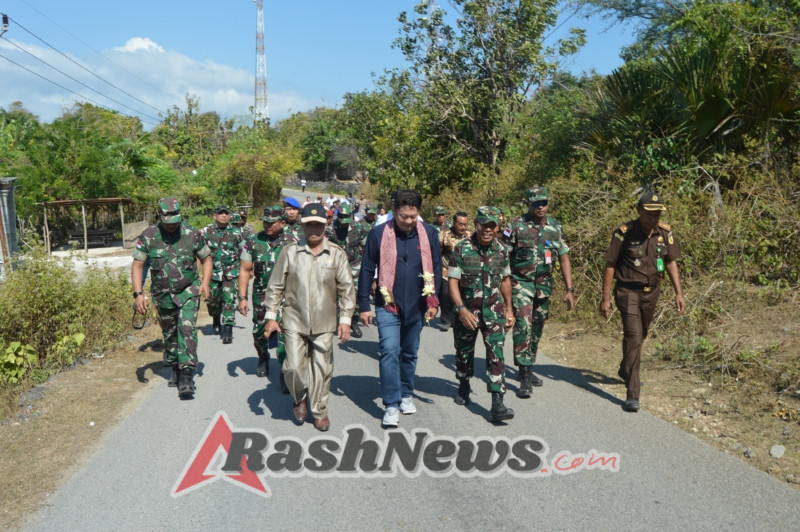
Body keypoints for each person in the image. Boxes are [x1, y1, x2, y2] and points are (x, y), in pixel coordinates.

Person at [264, 203, 355, 432]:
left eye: (318, 224)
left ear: (326, 224)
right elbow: (275, 286)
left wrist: (345, 320)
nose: (313, 229)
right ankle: (298, 397)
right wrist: (271, 317)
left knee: (322, 369)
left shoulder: (336, 254)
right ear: (302, 226)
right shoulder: (290, 252)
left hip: (325, 322)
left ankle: (319, 410)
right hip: (294, 319)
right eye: (309, 224)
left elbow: (346, 289)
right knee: (293, 367)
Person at [358, 189, 442, 428]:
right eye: (403, 216)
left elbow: (436, 267)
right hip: (387, 304)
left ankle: (406, 393)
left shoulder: (430, 234)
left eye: (413, 216)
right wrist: (364, 304)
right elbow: (366, 270)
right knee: (389, 350)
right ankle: (391, 404)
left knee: (409, 351)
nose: (408, 221)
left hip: (418, 304)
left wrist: (434, 301)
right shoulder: (378, 234)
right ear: (394, 212)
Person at [600, 191, 684, 412]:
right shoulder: (623, 233)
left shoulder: (664, 233)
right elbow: (610, 265)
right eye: (649, 214)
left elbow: (671, 262)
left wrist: (678, 293)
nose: (653, 218)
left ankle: (625, 368)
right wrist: (605, 298)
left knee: (641, 335)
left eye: (657, 214)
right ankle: (632, 394)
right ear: (638, 211)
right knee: (634, 337)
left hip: (652, 293)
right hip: (628, 291)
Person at [131, 197, 212, 397]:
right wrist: (138, 293)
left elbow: (206, 258)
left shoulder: (192, 234)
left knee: (186, 329)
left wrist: (205, 282)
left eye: (175, 221)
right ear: (159, 216)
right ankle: (175, 367)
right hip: (162, 294)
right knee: (170, 333)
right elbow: (138, 265)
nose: (172, 226)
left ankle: (186, 375)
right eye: (168, 222)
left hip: (188, 292)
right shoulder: (149, 235)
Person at [504, 186, 575, 397]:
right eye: (535, 203)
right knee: (523, 326)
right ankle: (524, 375)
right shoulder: (515, 226)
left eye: (543, 203)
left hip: (544, 286)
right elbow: (503, 257)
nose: (540, 207)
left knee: (537, 328)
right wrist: (504, 287)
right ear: (527, 204)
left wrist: (569, 289)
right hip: (520, 285)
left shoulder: (555, 227)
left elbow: (563, 257)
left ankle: (529, 365)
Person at [448, 207, 515, 421]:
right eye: (483, 225)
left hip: (494, 312)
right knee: (464, 352)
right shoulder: (461, 249)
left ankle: (498, 404)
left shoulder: (502, 250)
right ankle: (464, 384)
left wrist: (509, 309)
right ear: (476, 224)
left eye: (492, 226)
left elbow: (505, 281)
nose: (487, 229)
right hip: (467, 312)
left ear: (497, 227)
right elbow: (452, 282)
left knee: (497, 354)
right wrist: (461, 310)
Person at [237, 205, 294, 379]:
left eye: (272, 223)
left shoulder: (293, 242)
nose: (267, 226)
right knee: (260, 330)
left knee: (287, 332)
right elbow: (245, 270)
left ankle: (286, 370)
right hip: (262, 295)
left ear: (282, 223)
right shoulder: (253, 242)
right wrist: (242, 297)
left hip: (288, 295)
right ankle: (263, 356)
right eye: (265, 222)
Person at [200, 205, 245, 344]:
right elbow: (198, 252)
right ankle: (215, 318)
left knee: (229, 301)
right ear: (215, 216)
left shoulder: (237, 232)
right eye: (221, 214)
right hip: (212, 274)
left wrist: (247, 269)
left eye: (226, 214)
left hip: (231, 273)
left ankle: (228, 330)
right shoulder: (205, 232)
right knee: (213, 301)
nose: (224, 216)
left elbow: (244, 252)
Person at [438, 211, 471, 331]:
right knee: (446, 294)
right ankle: (446, 320)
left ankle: (458, 318)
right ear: (454, 223)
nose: (463, 227)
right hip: (447, 269)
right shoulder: (444, 234)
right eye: (460, 224)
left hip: (464, 270)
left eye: (465, 224)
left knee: (462, 295)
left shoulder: (470, 235)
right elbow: (438, 253)